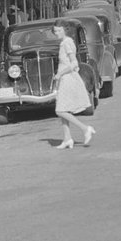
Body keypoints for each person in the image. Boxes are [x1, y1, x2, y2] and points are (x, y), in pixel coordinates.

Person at [51, 18, 95, 150]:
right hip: (64, 79)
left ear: (65, 30)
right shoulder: (64, 42)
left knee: (60, 110)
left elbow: (74, 63)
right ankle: (67, 138)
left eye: (59, 30)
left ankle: (85, 128)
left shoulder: (67, 43)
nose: (57, 33)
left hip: (68, 78)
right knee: (63, 109)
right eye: (55, 31)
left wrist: (60, 74)